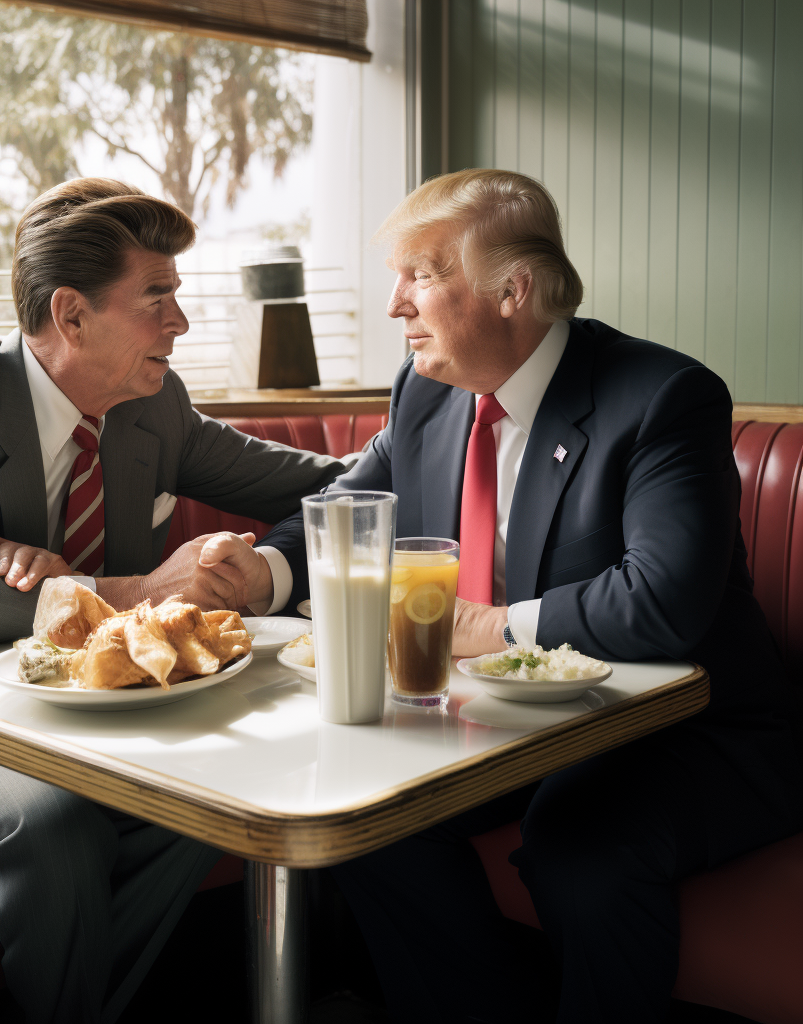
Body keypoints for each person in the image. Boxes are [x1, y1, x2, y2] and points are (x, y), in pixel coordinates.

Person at [0, 178, 343, 1023]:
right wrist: (111, 592)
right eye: (158, 298)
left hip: (94, 705)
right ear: (72, 315)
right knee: (51, 822)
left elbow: (333, 484)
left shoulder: (158, 407)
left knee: (227, 802)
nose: (180, 324)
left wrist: (267, 567)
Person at [259, 169, 803, 1022]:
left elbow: (660, 603)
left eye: (423, 274)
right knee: (364, 824)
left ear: (513, 289)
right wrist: (257, 573)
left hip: (691, 732)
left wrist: (486, 627)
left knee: (581, 847)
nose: (396, 302)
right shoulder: (425, 390)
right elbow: (345, 508)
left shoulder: (662, 397)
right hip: (514, 729)